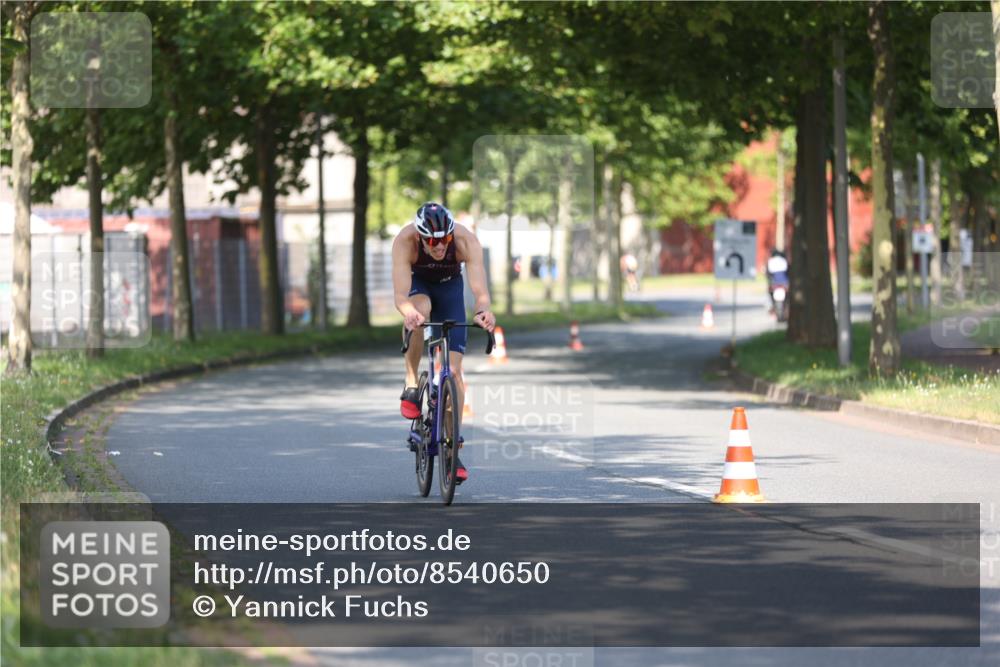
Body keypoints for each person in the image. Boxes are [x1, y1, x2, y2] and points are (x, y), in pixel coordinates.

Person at [392, 202, 496, 484]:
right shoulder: (405, 242)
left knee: (455, 374)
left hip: (451, 288)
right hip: (419, 286)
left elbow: (480, 292)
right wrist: (409, 313)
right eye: (433, 241)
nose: (440, 247)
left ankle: (452, 449)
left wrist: (483, 312)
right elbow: (401, 296)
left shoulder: (465, 241)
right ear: (421, 237)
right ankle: (412, 381)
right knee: (421, 311)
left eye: (444, 240)